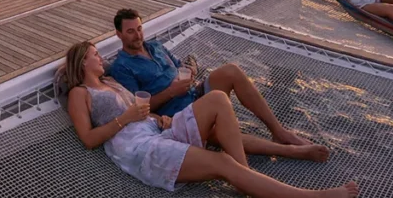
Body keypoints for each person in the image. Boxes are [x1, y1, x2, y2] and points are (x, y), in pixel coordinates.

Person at [62, 41, 359, 197]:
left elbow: (139, 112)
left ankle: (248, 180)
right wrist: (126, 118)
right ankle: (309, 197)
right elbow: (88, 139)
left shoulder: (112, 83)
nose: (100, 57)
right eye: (94, 54)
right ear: (81, 62)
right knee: (223, 163)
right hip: (137, 149)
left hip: (153, 130)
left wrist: (156, 118)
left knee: (216, 99)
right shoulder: (80, 92)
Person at [109, 9, 320, 152]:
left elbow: (180, 64)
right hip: (180, 114)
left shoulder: (155, 45)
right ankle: (287, 151)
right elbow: (140, 107)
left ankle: (278, 131)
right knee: (219, 126)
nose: (138, 36)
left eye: (139, 29)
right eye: (130, 32)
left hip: (194, 93)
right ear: (119, 34)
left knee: (231, 71)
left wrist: (190, 71)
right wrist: (172, 92)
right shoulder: (122, 66)